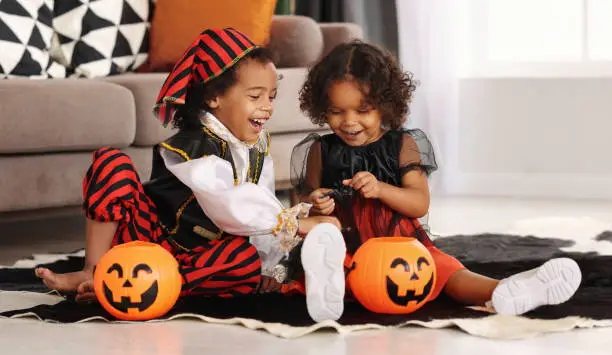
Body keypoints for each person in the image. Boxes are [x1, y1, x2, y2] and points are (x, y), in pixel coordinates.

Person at [35, 28, 346, 322]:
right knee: (111, 162)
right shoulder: (191, 146)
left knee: (243, 260)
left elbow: (261, 200)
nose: (267, 108)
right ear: (214, 98)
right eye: (255, 97)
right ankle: (96, 270)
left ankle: (158, 284)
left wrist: (269, 266)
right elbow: (228, 203)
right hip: (149, 235)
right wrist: (297, 223)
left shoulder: (257, 144)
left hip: (192, 258)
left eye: (272, 96)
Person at [289, 40, 582, 316]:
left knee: (445, 271)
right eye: (336, 112)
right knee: (338, 269)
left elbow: (419, 204)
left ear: (385, 104)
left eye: (363, 110)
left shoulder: (402, 145)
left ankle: (505, 291)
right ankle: (330, 289)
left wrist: (380, 189)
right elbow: (305, 202)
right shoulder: (321, 149)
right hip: (345, 246)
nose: (349, 121)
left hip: (402, 247)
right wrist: (314, 204)